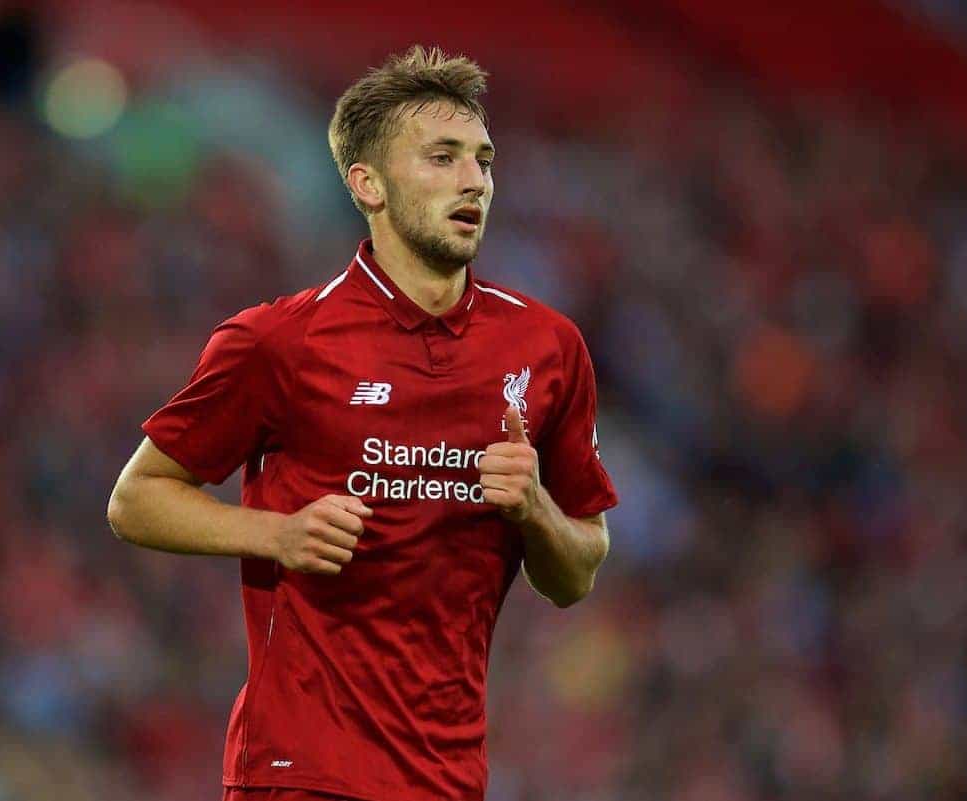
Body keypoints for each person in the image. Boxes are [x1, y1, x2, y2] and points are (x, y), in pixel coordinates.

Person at [107, 44, 617, 801]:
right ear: (367, 183)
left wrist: (534, 506)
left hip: (448, 777)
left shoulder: (547, 348)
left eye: (483, 159)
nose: (474, 179)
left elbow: (576, 572)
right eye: (441, 157)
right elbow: (135, 498)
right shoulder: (279, 340)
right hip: (299, 770)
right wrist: (276, 533)